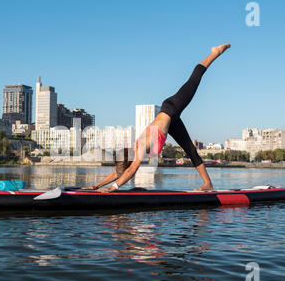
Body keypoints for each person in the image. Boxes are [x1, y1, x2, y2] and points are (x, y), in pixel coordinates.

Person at [82, 44, 231, 192]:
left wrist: (113, 187)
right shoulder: (133, 152)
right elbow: (119, 172)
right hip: (172, 121)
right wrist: (96, 186)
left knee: (193, 80)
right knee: (191, 151)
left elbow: (130, 171)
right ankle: (208, 184)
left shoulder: (140, 147)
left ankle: (215, 53)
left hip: (171, 108)